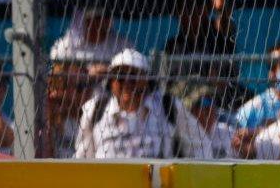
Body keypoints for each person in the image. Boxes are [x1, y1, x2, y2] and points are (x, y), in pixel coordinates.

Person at [74, 49, 212, 159]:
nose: (127, 83)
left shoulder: (168, 106)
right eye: (121, 77)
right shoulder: (95, 109)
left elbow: (201, 145)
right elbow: (83, 158)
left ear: (147, 81)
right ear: (111, 82)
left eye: (134, 77)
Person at [49, 7, 133, 79]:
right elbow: (56, 74)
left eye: (106, 16)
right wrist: (85, 74)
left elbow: (132, 71)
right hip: (77, 95)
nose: (104, 21)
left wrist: (109, 71)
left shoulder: (123, 44)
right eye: (97, 18)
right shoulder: (64, 46)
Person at [186, 86, 236, 159]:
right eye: (205, 107)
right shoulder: (184, 134)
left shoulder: (227, 133)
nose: (210, 112)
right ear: (193, 111)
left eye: (213, 106)